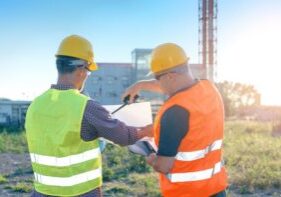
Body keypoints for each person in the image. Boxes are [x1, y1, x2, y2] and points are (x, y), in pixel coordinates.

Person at [25, 35, 152, 197]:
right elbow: (124, 136)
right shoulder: (86, 107)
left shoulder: (35, 105)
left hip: (42, 191)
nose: (86, 76)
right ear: (81, 69)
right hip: (80, 192)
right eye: (88, 71)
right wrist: (148, 130)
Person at [123, 43, 228, 197]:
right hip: (216, 189)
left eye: (157, 78)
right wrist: (139, 85)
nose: (157, 83)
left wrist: (151, 157)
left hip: (186, 192)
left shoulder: (174, 111)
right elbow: (190, 127)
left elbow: (163, 166)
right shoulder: (209, 89)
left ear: (171, 76)